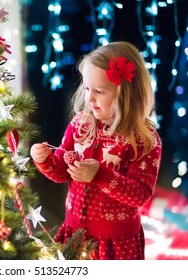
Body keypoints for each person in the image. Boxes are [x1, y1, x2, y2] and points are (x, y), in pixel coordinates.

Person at [30, 41, 162, 260]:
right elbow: (62, 171)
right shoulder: (80, 124)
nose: (89, 98)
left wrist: (100, 174)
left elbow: (140, 195)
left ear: (126, 94)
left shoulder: (144, 139)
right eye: (87, 88)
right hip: (75, 235)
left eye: (99, 91)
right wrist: (45, 161)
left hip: (116, 244)